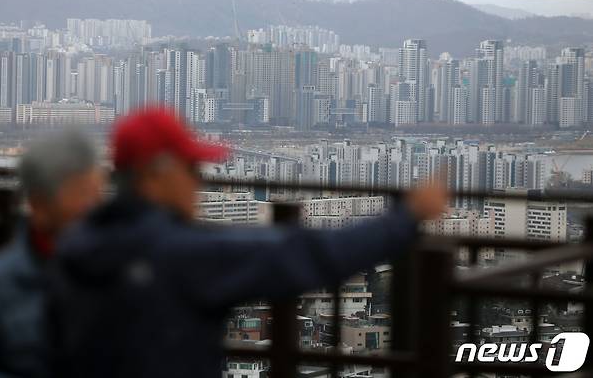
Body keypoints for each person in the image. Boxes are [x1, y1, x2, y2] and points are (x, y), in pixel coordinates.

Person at [50, 107, 448, 378]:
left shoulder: (77, 243)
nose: (199, 179)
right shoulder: (179, 254)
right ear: (157, 174)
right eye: (192, 167)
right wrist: (406, 218)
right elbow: (305, 257)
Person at [0, 130, 105, 378]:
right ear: (39, 203)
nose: (92, 207)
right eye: (81, 193)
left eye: (97, 193)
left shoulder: (123, 273)